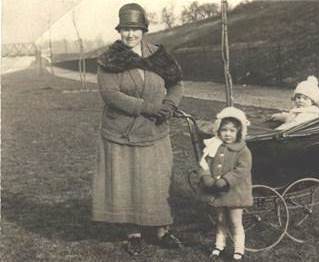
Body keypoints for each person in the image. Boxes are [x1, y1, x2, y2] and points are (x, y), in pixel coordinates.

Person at [92, 3, 184, 255]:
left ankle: (162, 230)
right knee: (127, 182)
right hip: (121, 132)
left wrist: (170, 104)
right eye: (125, 29)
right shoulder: (109, 59)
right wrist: (149, 107)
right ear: (119, 31)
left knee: (157, 182)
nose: (130, 34)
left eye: (135, 29)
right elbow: (110, 95)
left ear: (143, 30)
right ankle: (133, 233)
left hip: (155, 132)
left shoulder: (158, 54)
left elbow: (176, 84)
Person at [198, 107, 253, 261]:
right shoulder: (214, 145)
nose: (227, 134)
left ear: (239, 132)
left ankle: (238, 250)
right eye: (224, 130)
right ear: (218, 130)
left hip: (235, 192)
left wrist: (226, 180)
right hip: (218, 191)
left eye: (232, 131)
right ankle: (219, 245)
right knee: (221, 220)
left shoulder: (243, 150)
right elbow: (204, 164)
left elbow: (242, 170)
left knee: (236, 222)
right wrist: (206, 177)